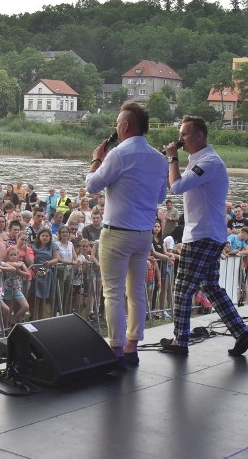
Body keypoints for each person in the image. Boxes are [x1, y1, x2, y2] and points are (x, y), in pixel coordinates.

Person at [160, 115, 248, 357]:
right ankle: (241, 331)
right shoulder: (199, 160)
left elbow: (178, 187)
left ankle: (180, 341)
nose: (180, 138)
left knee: (182, 290)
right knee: (210, 286)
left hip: (203, 234)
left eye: (184, 134)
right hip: (208, 232)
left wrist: (172, 157)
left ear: (200, 135)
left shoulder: (209, 162)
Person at [85, 102, 167, 368]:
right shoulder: (158, 158)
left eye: (118, 125)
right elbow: (161, 196)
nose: (117, 130)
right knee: (137, 291)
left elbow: (92, 186)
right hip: (143, 234)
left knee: (113, 293)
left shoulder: (118, 154)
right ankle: (133, 345)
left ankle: (117, 348)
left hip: (117, 233)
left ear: (126, 126)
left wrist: (97, 159)